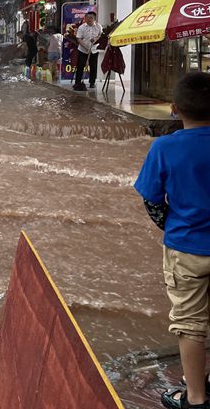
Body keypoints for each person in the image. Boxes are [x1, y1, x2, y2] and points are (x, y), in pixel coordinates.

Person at [135, 72, 210, 409]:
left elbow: (151, 199)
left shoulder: (164, 147)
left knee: (191, 324)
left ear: (175, 109)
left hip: (186, 248)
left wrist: (172, 226)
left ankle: (194, 398)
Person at [74, 11, 102, 91]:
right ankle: (78, 83)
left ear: (94, 19)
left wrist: (96, 39)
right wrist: (86, 47)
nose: (89, 19)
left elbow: (100, 35)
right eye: (87, 17)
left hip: (94, 49)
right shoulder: (82, 27)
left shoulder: (98, 26)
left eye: (91, 18)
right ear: (85, 18)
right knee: (80, 66)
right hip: (83, 50)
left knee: (93, 66)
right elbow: (78, 38)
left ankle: (92, 82)